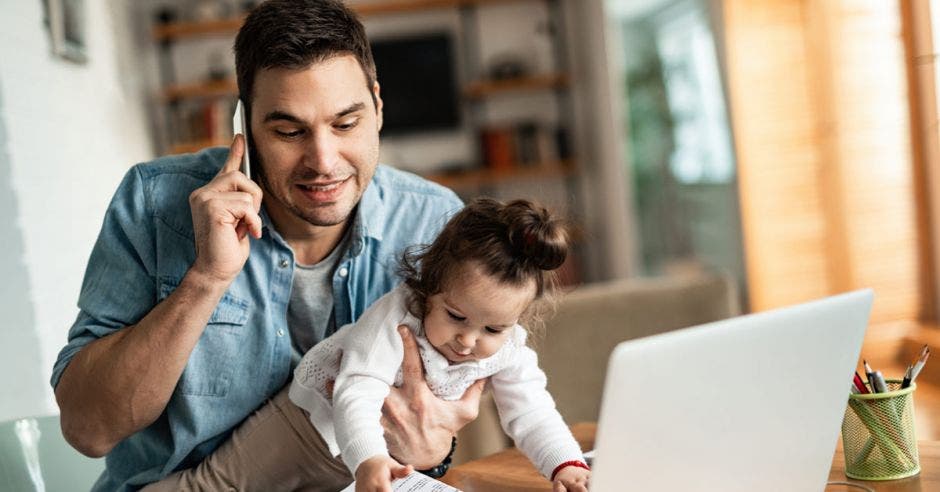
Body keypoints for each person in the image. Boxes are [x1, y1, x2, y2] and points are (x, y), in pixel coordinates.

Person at [50, 1, 483, 490]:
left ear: (378, 107)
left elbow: (439, 417)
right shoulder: (154, 205)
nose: (323, 161)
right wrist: (206, 279)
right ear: (245, 128)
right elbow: (88, 430)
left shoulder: (434, 221)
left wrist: (436, 451)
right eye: (289, 131)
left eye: (345, 124)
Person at [145, 198, 591, 492]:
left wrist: (565, 465)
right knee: (219, 486)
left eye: (493, 329)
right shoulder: (399, 315)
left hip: (368, 463)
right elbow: (356, 389)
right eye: (456, 316)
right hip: (306, 426)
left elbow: (531, 410)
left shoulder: (509, 347)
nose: (469, 341)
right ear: (430, 288)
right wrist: (370, 460)